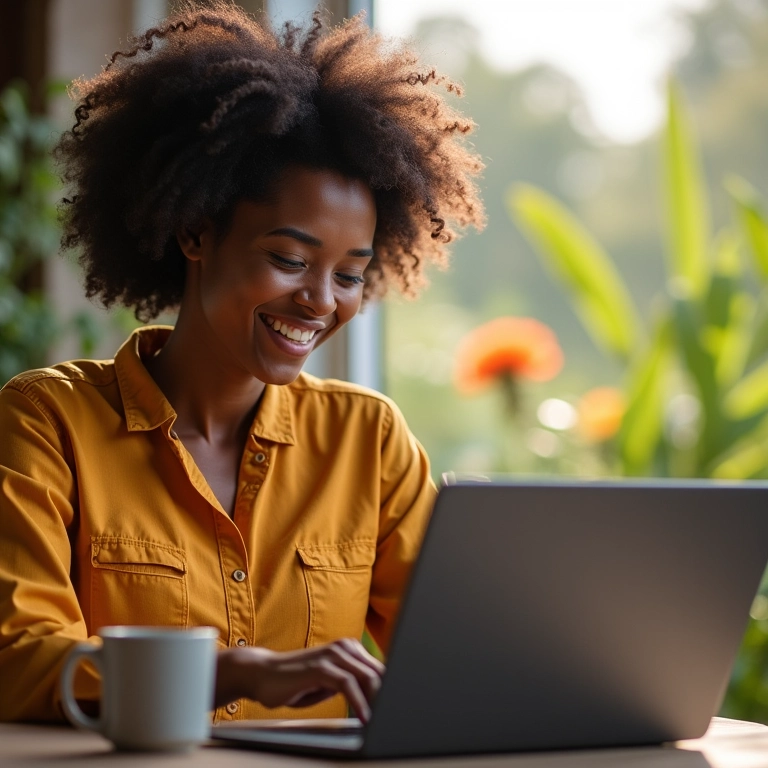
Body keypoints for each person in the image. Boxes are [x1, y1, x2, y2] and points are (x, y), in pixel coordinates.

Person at [0, 0, 484, 724]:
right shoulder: (47, 423)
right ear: (196, 234)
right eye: (289, 259)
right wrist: (232, 672)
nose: (321, 301)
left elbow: (464, 657)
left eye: (349, 274)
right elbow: (18, 660)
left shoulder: (368, 440)